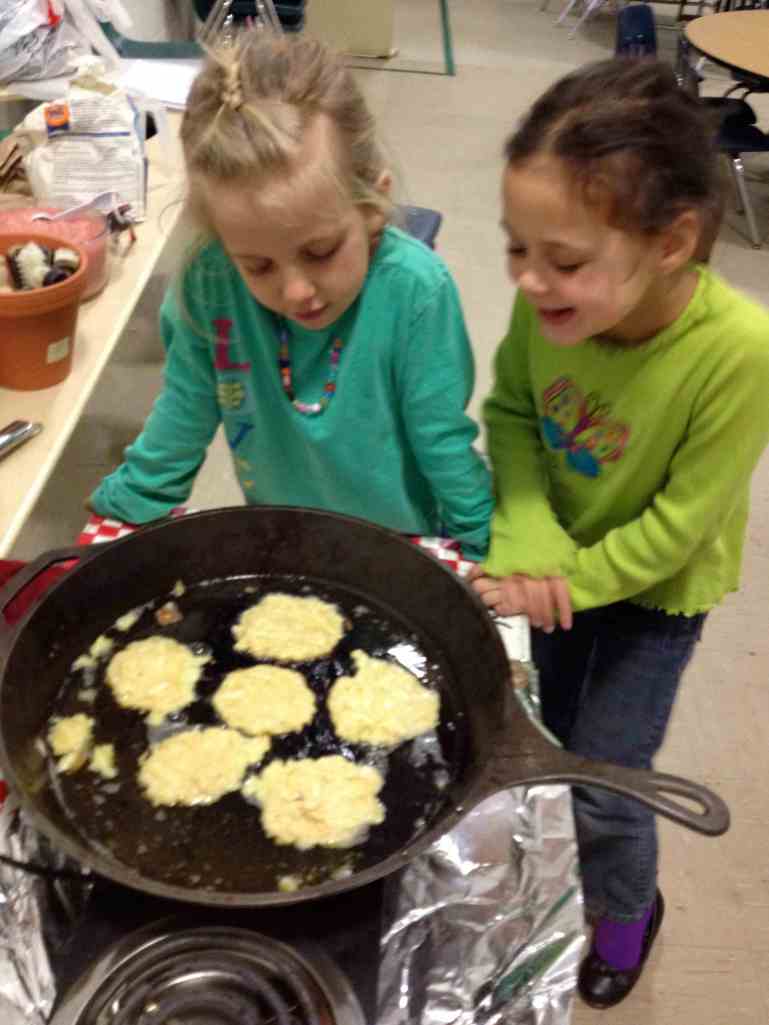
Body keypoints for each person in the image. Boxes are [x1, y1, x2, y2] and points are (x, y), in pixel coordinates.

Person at [470, 58, 769, 1008]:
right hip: (555, 562)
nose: (528, 280)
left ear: (673, 241)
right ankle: (561, 880)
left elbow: (680, 527)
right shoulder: (541, 310)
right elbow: (511, 414)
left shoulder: (737, 353)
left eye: (562, 261)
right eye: (516, 249)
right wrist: (524, 534)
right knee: (542, 741)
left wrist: (560, 582)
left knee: (605, 778)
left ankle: (627, 913)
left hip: (652, 597)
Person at [89, 34, 492, 558]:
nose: (297, 291)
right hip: (282, 536)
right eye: (257, 266)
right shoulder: (209, 284)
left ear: (374, 206)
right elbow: (184, 411)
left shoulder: (416, 294)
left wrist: (486, 542)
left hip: (402, 541)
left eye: (321, 251)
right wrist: (127, 505)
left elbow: (443, 441)